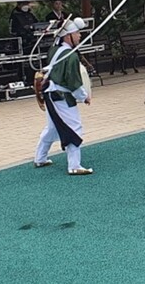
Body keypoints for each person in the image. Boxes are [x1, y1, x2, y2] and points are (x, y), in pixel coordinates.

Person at [33, 17, 93, 176]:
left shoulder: (54, 50)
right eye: (77, 32)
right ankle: (74, 165)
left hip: (51, 93)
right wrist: (84, 96)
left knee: (52, 127)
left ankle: (40, 158)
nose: (79, 35)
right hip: (61, 96)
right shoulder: (71, 56)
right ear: (68, 36)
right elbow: (73, 82)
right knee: (74, 127)